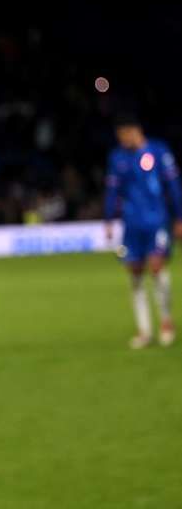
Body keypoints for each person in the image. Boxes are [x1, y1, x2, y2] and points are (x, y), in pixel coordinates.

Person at [104, 114, 182, 348]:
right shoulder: (118, 158)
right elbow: (112, 191)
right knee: (135, 272)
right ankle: (145, 330)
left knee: (157, 267)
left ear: (134, 130)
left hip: (157, 221)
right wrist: (109, 219)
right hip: (132, 224)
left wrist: (179, 217)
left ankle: (166, 322)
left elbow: (173, 186)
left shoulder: (159, 151)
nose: (121, 140)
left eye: (123, 134)